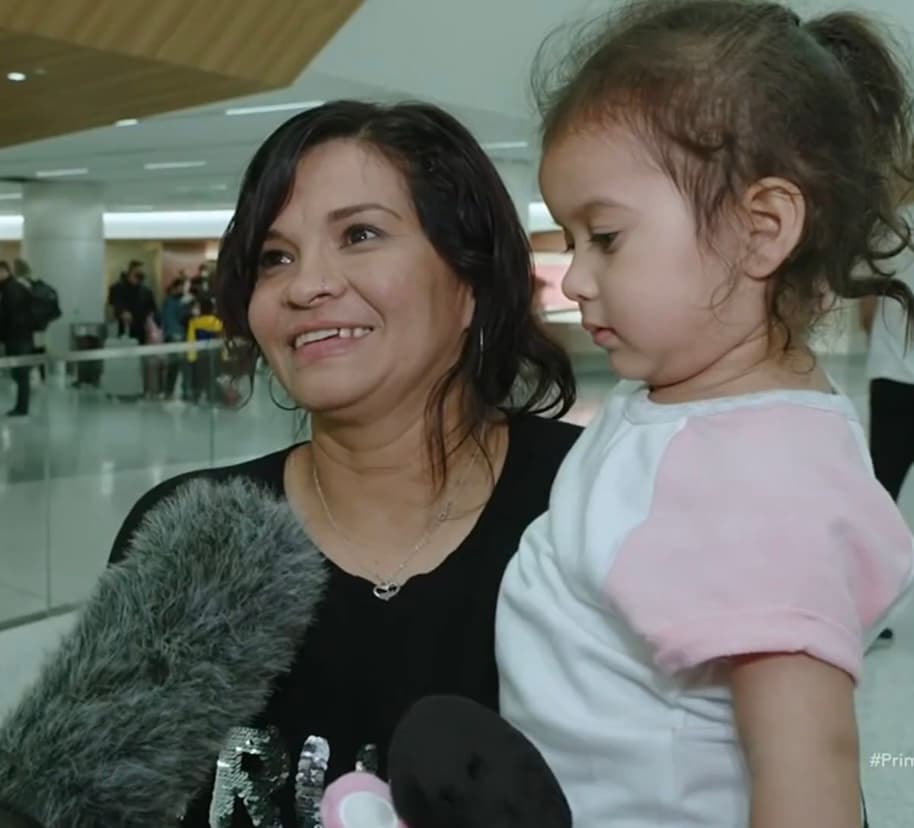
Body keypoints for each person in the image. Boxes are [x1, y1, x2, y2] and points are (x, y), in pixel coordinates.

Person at [495, 3, 914, 828]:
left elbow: (809, 776)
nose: (575, 279)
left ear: (762, 231)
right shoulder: (676, 405)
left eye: (606, 238)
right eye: (571, 240)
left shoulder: (761, 478)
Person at [106, 100, 580, 826]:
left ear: (471, 283)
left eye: (359, 235)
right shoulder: (190, 535)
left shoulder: (591, 504)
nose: (305, 286)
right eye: (275, 257)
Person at [0, 259, 34, 417]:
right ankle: (22, 407)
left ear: (5, 271)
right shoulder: (14, 287)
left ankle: (22, 408)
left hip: (17, 338)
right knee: (20, 374)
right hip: (21, 337)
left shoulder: (11, 289)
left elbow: (9, 317)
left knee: (21, 374)